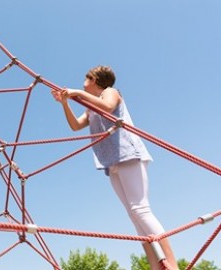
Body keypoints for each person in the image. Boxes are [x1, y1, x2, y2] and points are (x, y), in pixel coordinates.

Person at [51, 66, 178, 270]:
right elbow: (75, 126)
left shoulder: (110, 92)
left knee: (141, 209)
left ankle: (171, 264)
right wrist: (65, 103)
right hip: (111, 163)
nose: (84, 79)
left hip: (128, 154)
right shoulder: (90, 107)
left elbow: (108, 107)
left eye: (87, 77)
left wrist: (77, 92)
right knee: (134, 216)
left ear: (97, 80)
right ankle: (157, 265)